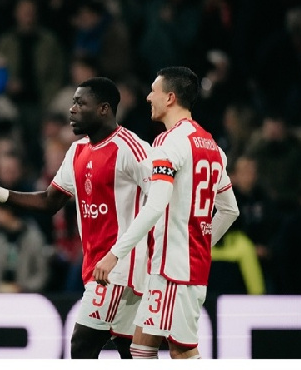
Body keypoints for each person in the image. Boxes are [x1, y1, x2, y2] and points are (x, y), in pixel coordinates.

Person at [0, 77, 152, 359]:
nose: (72, 109)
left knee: (82, 345)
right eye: (73, 102)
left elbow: (162, 198)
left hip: (122, 269)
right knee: (128, 351)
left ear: (104, 109)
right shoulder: (78, 151)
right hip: (98, 266)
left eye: (81, 103)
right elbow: (50, 201)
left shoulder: (132, 148)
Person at [93, 67, 239, 359]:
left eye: (154, 91)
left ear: (170, 98)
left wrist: (114, 254)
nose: (148, 97)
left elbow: (155, 206)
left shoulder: (169, 144)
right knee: (141, 348)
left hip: (174, 271)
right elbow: (229, 210)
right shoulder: (212, 146)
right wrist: (201, 245)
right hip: (177, 268)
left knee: (182, 352)